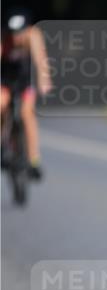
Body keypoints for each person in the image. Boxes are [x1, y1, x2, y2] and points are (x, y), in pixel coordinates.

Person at [0, 9, 52, 179]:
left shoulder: (33, 36)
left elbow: (40, 60)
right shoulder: (4, 39)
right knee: (1, 104)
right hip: (5, 80)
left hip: (25, 82)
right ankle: (2, 143)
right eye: (13, 33)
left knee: (27, 114)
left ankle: (33, 160)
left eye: (19, 33)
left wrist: (44, 81)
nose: (16, 37)